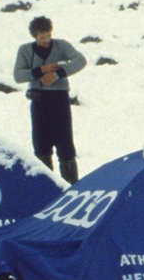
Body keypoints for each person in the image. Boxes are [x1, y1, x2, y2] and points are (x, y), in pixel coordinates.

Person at [13, 15, 88, 181]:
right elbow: (18, 76)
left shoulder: (61, 46)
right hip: (39, 101)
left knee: (65, 143)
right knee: (41, 145)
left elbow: (80, 60)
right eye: (42, 37)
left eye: (48, 36)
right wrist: (40, 70)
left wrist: (58, 74)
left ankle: (70, 184)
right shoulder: (25, 50)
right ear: (34, 36)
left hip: (59, 99)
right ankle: (46, 184)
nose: (46, 40)